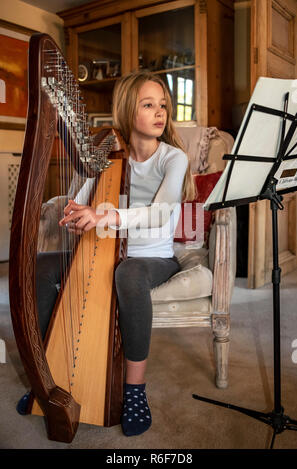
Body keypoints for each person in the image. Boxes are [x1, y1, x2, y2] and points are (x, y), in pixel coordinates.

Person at [59, 70, 196, 437]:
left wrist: (104, 215)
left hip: (153, 257)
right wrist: (75, 213)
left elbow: (162, 212)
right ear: (125, 111)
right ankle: (48, 377)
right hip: (104, 251)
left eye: (162, 105)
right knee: (43, 269)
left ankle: (135, 390)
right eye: (148, 104)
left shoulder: (173, 158)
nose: (159, 112)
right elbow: (80, 198)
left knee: (129, 273)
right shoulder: (107, 157)